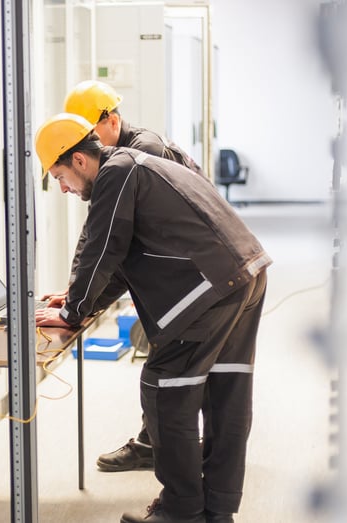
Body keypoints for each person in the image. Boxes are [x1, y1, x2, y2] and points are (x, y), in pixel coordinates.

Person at [34, 113, 271, 523]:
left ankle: (181, 511)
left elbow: (102, 248)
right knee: (225, 395)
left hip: (209, 288)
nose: (63, 188)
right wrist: (76, 300)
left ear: (78, 160)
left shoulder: (116, 173)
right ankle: (218, 509)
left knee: (165, 390)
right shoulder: (137, 166)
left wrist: (74, 311)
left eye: (59, 177)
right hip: (246, 272)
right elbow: (122, 262)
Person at [42, 80, 204, 474]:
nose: (83, 141)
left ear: (111, 121)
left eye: (87, 133)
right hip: (184, 272)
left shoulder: (137, 155)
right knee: (169, 370)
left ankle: (169, 458)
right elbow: (100, 234)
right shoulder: (123, 155)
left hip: (188, 276)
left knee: (167, 372)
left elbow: (111, 241)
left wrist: (80, 304)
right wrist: (79, 293)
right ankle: (161, 447)